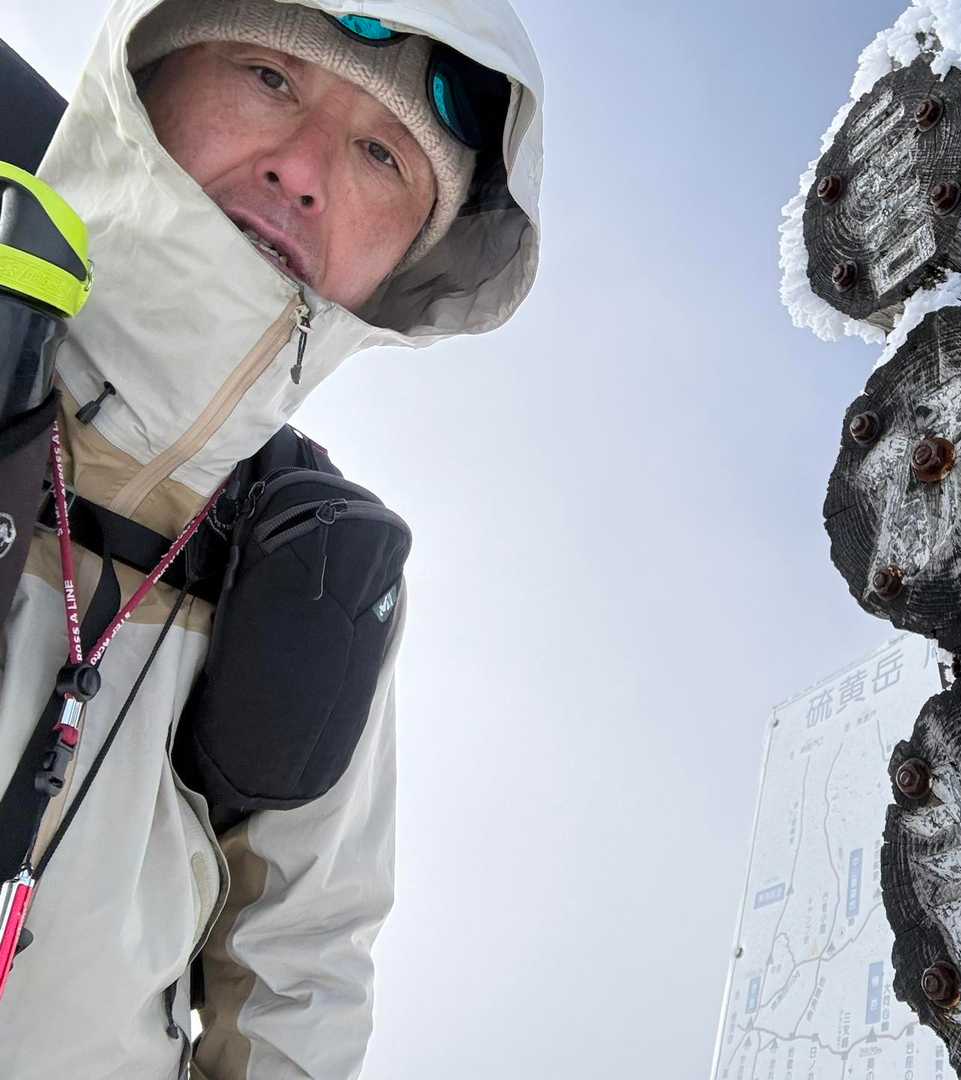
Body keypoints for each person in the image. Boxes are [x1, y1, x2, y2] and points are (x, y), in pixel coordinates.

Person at [0, 1, 543, 1075]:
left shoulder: (322, 575)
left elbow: (302, 980)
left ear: (410, 254)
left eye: (383, 155)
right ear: (147, 69)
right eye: (270, 77)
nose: (303, 172)